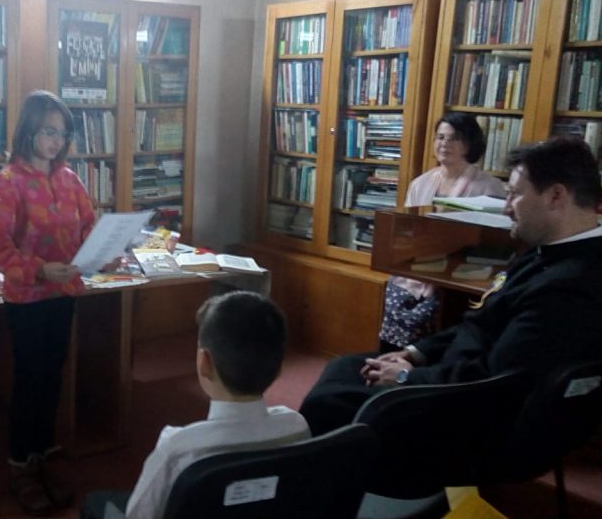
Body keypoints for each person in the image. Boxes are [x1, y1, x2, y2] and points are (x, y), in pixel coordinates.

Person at [301, 136, 602, 436]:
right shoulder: (546, 252)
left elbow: (496, 382)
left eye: (515, 195)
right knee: (345, 368)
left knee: (331, 402)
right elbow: (480, 323)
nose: (507, 208)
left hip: (467, 411)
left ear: (556, 196)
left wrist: (407, 378)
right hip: (453, 375)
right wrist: (415, 353)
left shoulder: (573, 287)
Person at [81, 291, 310, 519]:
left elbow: (139, 515)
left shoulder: (178, 449)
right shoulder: (297, 426)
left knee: (96, 502)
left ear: (203, 362)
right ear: (279, 367)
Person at [0, 90, 96, 516]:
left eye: (62, 133)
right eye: (48, 131)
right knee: (30, 379)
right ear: (29, 130)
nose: (55, 141)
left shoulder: (70, 179)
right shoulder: (8, 181)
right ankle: (20, 464)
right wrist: (39, 269)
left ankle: (42, 453)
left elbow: (87, 229)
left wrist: (105, 248)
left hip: (63, 294)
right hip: (28, 297)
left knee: (53, 375)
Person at [379, 113, 507, 351]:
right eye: (440, 137)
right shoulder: (420, 183)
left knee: (440, 310)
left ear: (469, 144)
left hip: (462, 275)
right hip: (418, 266)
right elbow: (407, 231)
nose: (444, 144)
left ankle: (420, 361)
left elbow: (494, 243)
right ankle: (388, 362)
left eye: (453, 138)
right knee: (395, 294)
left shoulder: (490, 187)